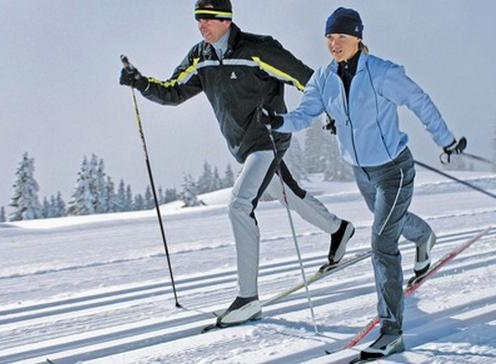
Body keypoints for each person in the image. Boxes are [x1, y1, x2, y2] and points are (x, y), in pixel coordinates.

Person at [119, 0, 356, 326]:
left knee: (239, 204)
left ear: (226, 20)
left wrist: (332, 111)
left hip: (269, 139)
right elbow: (173, 91)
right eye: (198, 18)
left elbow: (307, 80)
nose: (202, 24)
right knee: (288, 195)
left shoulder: (258, 49)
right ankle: (339, 229)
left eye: (209, 18)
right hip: (243, 146)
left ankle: (248, 299)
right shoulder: (199, 57)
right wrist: (141, 82)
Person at [258, 7, 466, 360]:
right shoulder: (324, 78)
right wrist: (278, 121)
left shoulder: (382, 73)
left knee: (382, 242)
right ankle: (424, 235)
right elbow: (305, 114)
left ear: (358, 37)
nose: (334, 44)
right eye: (329, 38)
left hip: (394, 170)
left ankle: (391, 330)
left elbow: (420, 102)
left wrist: (446, 141)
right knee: (388, 222)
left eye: (340, 37)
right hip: (362, 172)